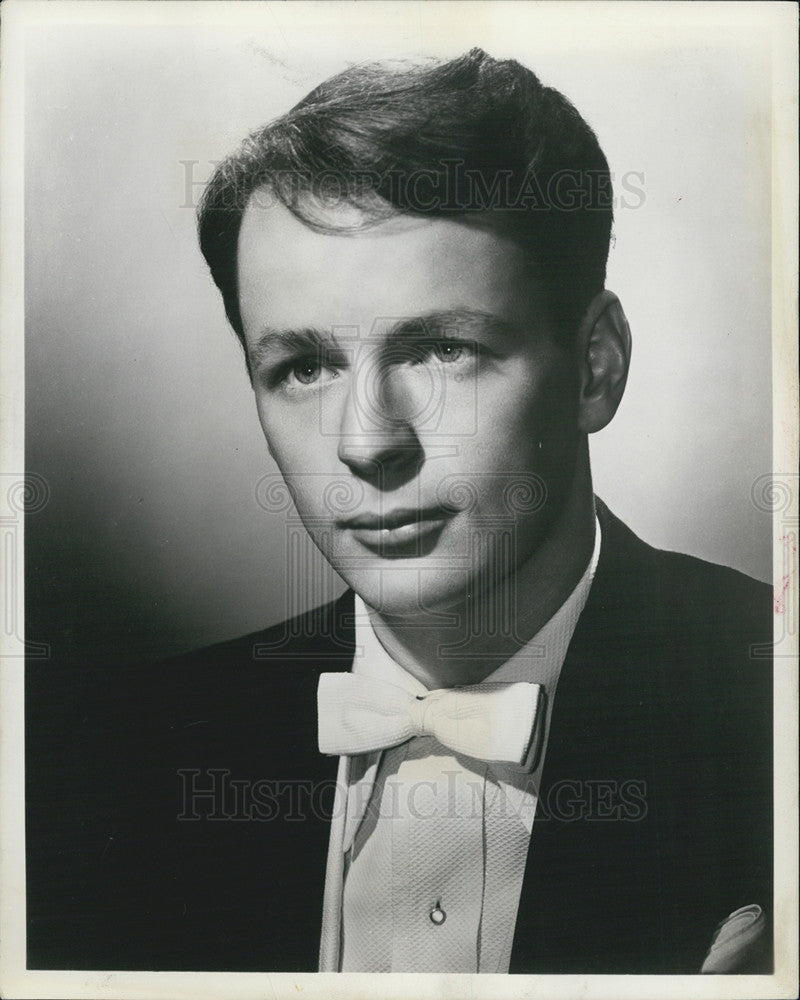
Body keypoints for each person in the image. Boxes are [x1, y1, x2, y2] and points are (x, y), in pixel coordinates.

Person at [26, 48, 772, 975]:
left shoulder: (767, 706)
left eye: (441, 350)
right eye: (303, 368)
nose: (366, 444)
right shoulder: (109, 767)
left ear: (595, 367)